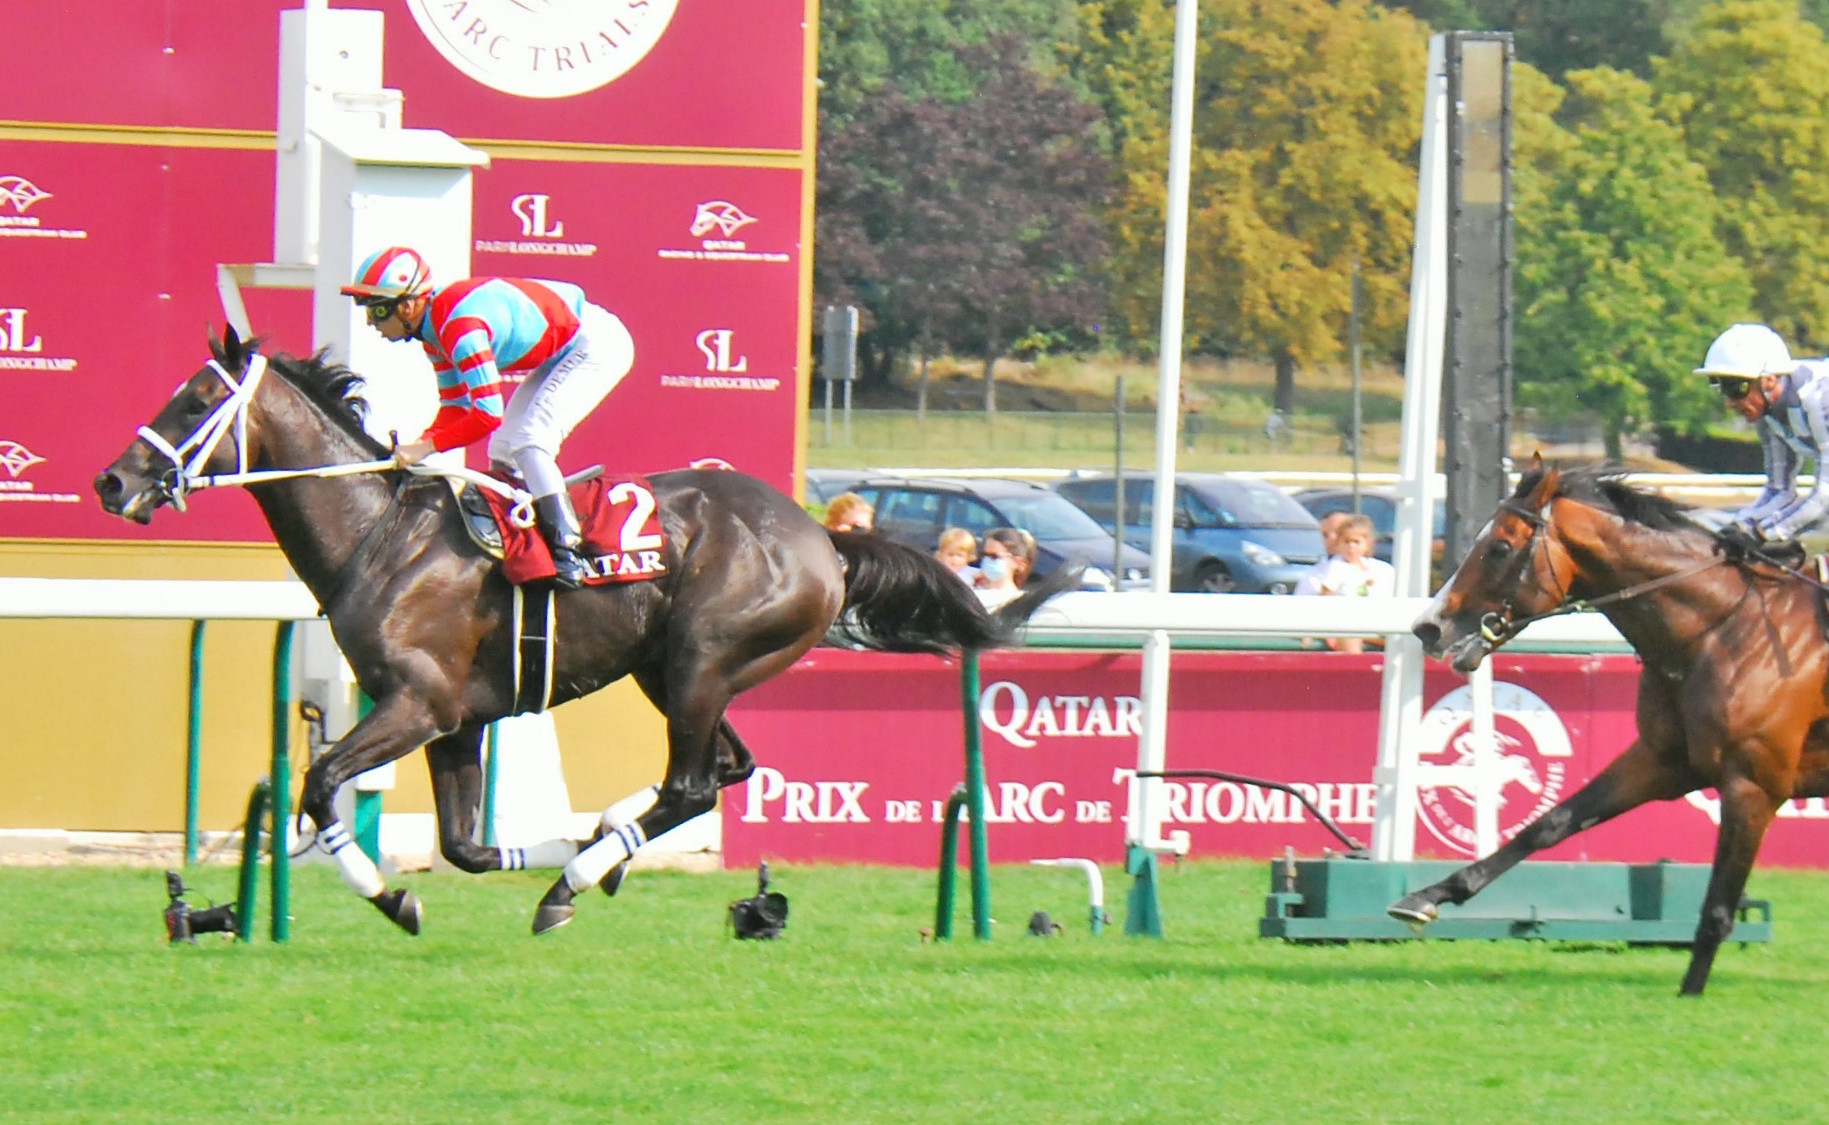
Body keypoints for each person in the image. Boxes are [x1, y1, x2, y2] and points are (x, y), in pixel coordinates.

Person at [343, 246, 635, 588]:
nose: (370, 322)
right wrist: (421, 443)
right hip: (566, 347)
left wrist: (424, 449)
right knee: (504, 449)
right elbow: (455, 408)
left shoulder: (459, 328)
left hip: (596, 344)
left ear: (408, 305)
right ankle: (522, 539)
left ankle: (567, 551)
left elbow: (486, 414)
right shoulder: (432, 335)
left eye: (377, 310)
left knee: (530, 440)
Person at [1695, 322, 1829, 547]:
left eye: (1735, 388)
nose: (1729, 403)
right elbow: (1779, 491)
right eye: (1721, 388)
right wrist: (1738, 526)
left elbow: (1824, 499)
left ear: (1769, 380)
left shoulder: (1821, 400)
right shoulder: (1767, 412)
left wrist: (1760, 534)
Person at [1302, 514, 1393, 653]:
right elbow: (1326, 594)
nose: (1351, 547)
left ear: (1367, 544)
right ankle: (1357, 670)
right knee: (1351, 638)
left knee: (1399, 636)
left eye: (1356, 542)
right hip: (1344, 623)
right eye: (1346, 542)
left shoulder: (1376, 569)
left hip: (1371, 622)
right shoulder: (1336, 567)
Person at [1293, 510, 1352, 597]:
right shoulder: (1314, 577)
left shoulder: (1376, 569)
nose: (1331, 538)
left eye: (1338, 531)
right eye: (1325, 535)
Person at [974, 527, 1032, 608]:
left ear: (1017, 562)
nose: (987, 560)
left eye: (994, 556)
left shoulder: (1019, 602)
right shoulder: (971, 588)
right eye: (984, 555)